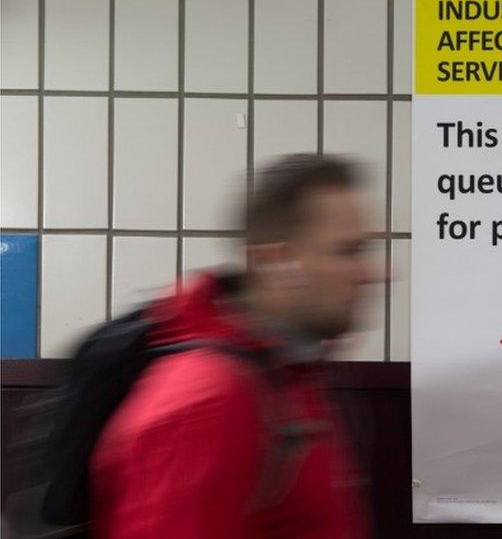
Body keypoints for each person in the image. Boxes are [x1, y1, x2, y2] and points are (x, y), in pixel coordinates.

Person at [89, 154, 380, 538]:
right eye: (347, 252)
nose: (372, 274)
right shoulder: (207, 403)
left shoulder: (284, 378)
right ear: (275, 263)